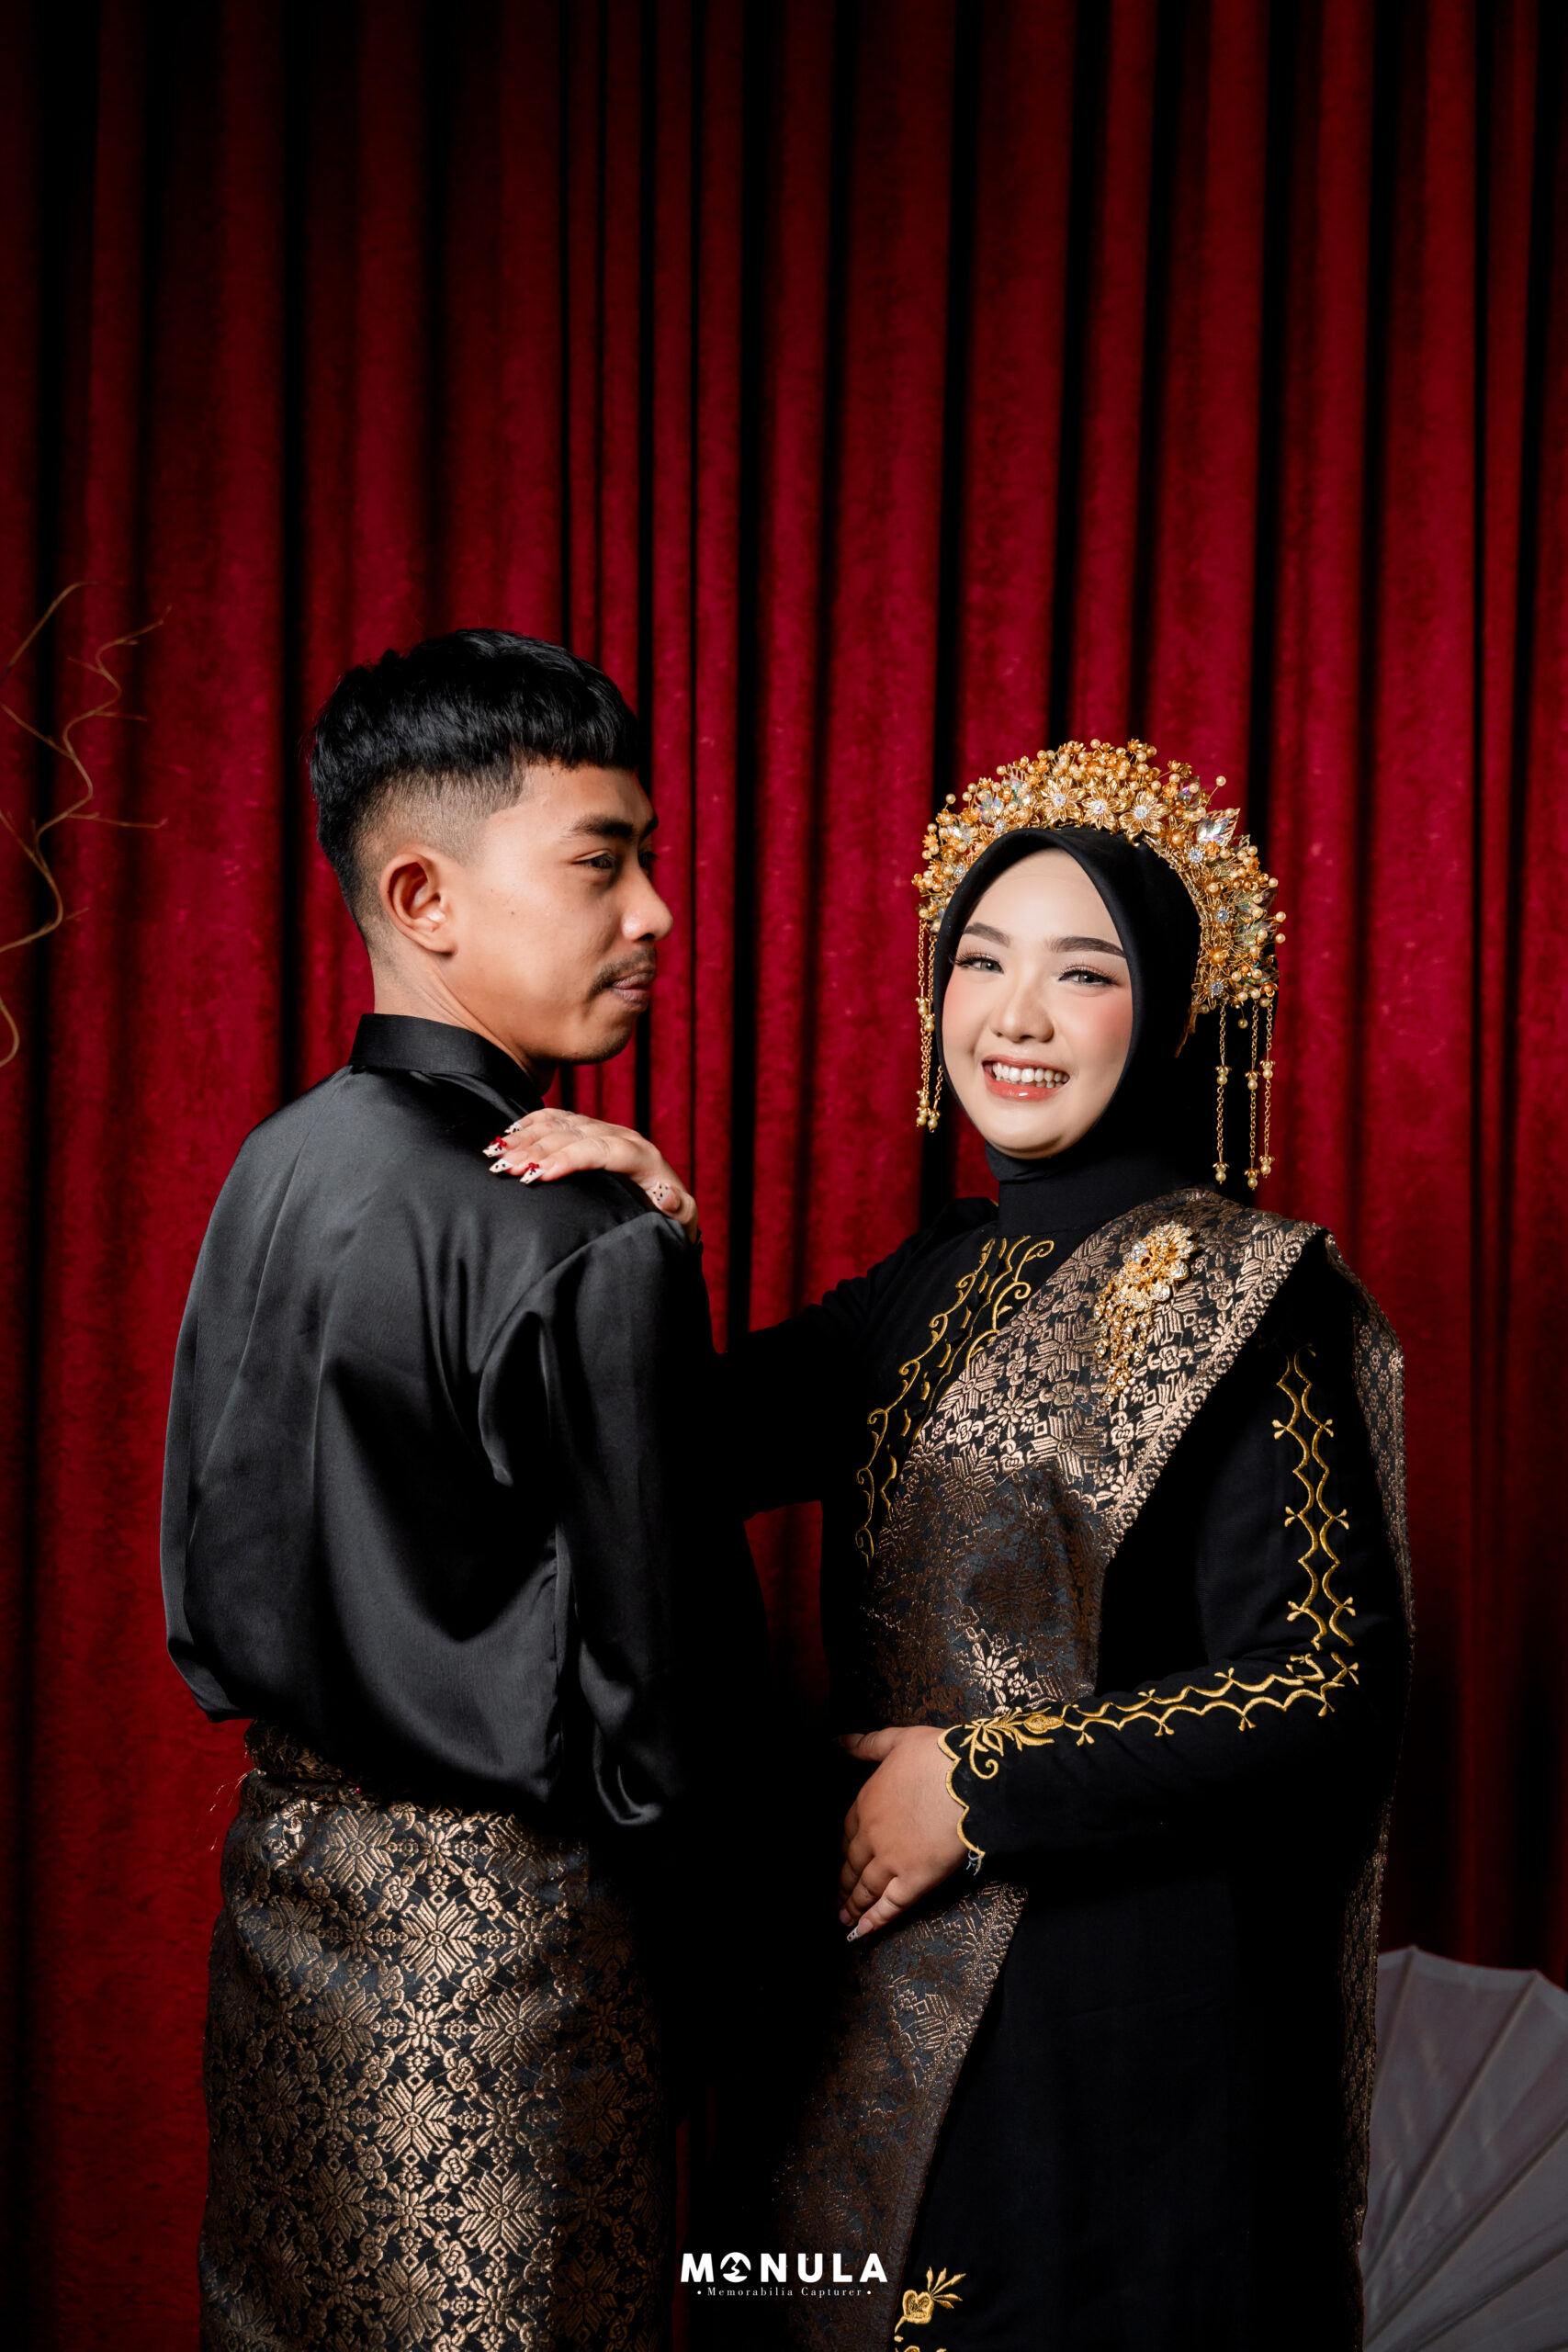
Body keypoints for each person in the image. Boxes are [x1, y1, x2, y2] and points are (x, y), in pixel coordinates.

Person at [489, 740, 1412, 2350]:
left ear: (1173, 1009)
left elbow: (1327, 1688)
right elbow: (676, 1454)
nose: (1017, 1017)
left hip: (1117, 2025)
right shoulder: (926, 1281)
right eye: (981, 962)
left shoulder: (1253, 1297)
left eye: (1084, 972)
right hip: (866, 1976)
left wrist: (980, 1783)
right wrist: (642, 1243)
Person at [161, 629, 761, 2352]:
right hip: (513, 1984)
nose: (656, 913)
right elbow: (673, 1716)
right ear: (421, 895)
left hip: (282, 1929)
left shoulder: (276, 1164)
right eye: (603, 860)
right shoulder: (579, 1234)